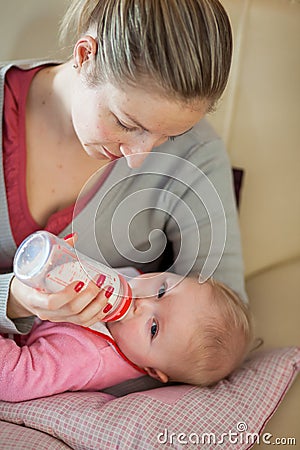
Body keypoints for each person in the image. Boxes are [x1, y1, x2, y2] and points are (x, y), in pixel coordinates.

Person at [0, 0, 246, 376]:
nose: (137, 158)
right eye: (126, 123)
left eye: (169, 135)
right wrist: (13, 299)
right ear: (85, 55)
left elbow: (216, 344)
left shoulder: (196, 155)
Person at [0, 271, 253, 402]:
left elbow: (14, 377)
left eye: (153, 328)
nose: (141, 302)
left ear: (152, 371)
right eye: (162, 291)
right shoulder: (126, 284)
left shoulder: (87, 356)